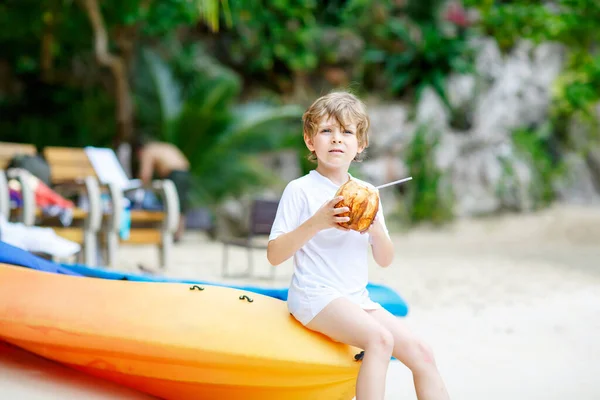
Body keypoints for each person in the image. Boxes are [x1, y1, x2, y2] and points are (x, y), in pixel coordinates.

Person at [266, 91, 450, 400]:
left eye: (347, 132)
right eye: (327, 131)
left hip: (356, 299)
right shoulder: (300, 190)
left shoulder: (367, 192)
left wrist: (375, 226)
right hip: (315, 296)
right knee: (379, 340)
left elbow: (385, 259)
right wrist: (319, 221)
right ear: (310, 141)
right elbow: (274, 255)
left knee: (423, 354)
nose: (337, 139)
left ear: (360, 145)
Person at [134, 138, 192, 242]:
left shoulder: (148, 151)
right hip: (185, 172)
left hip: (175, 174)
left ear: (139, 151)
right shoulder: (162, 146)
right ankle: (178, 234)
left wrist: (139, 188)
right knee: (180, 205)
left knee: (172, 204)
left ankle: (172, 233)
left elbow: (145, 175)